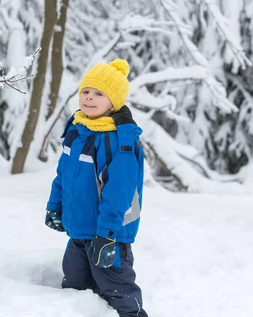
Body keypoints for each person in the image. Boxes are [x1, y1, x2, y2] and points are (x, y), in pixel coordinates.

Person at [45, 59, 148, 317]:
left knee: (117, 291)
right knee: (75, 288)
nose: (89, 98)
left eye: (98, 93)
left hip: (108, 234)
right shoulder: (79, 130)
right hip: (80, 231)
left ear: (113, 102)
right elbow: (63, 175)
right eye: (85, 91)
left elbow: (120, 192)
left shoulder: (119, 139)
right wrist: (54, 206)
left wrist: (107, 233)